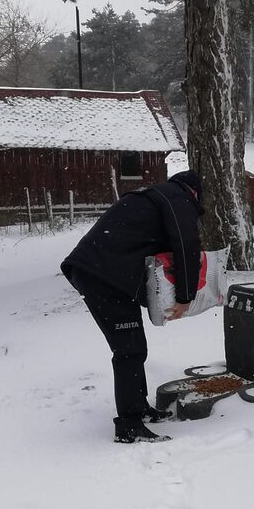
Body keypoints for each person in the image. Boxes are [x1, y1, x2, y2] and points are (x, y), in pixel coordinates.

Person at [61, 170, 202, 444]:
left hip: (104, 274)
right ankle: (129, 426)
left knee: (135, 346)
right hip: (100, 275)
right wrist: (186, 296)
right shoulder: (178, 198)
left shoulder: (158, 196)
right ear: (194, 192)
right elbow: (186, 245)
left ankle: (139, 410)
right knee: (128, 350)